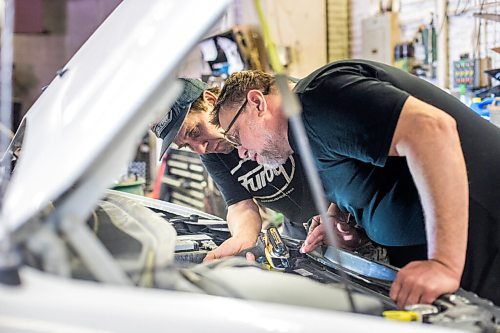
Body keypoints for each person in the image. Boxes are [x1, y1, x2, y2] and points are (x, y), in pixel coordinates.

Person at [211, 60, 500, 307]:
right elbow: (367, 177)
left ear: (257, 103)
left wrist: (443, 265)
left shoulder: (318, 99)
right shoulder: (304, 139)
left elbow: (432, 129)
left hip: (484, 233)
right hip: (446, 249)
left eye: (236, 136)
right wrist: (339, 221)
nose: (242, 152)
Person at [150, 78, 364, 261]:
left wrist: (335, 212)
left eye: (196, 131)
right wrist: (242, 239)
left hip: (354, 209)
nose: (200, 148)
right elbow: (240, 204)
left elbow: (343, 153)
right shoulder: (211, 153)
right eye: (187, 146)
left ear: (210, 101)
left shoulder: (272, 103)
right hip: (302, 228)